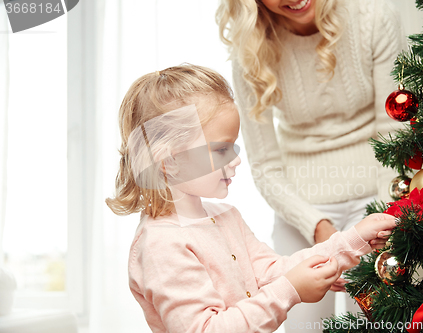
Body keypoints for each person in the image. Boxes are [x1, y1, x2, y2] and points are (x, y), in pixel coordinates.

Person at [106, 64, 397, 333]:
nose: (236, 160)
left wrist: (354, 239)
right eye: (221, 149)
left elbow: (272, 272)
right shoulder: (161, 245)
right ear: (169, 161)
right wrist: (291, 289)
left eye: (234, 147)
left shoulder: (226, 216)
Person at [216, 0, 404, 330]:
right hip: (301, 210)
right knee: (306, 326)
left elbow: (394, 130)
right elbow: (264, 165)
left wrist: (382, 215)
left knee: (376, 320)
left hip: (376, 196)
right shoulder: (251, 48)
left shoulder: (373, 16)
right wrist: (321, 230)